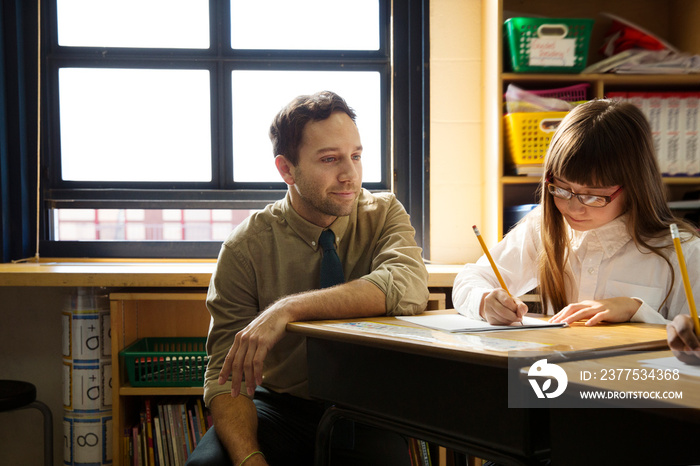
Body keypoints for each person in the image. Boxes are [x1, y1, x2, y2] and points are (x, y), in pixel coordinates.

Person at [187, 91, 429, 466]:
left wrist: (287, 310)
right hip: (280, 407)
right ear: (286, 170)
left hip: (365, 410)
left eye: (356, 156)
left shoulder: (383, 213)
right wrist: (250, 459)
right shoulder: (244, 247)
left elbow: (407, 287)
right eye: (330, 159)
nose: (350, 174)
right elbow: (225, 375)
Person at [453, 99, 700, 326]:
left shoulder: (683, 252)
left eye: (592, 196)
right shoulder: (544, 227)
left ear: (635, 187)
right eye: (561, 189)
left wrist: (637, 311)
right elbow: (470, 279)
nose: (572, 207)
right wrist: (485, 301)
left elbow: (694, 338)